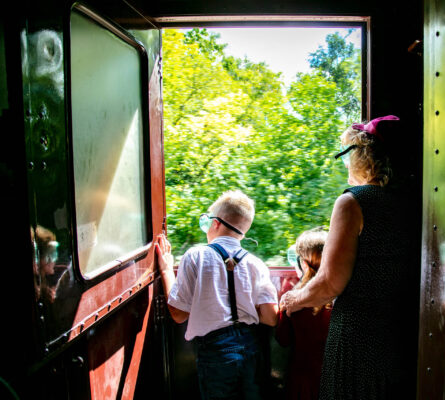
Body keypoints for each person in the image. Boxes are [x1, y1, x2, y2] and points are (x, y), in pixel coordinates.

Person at [279, 116, 420, 399]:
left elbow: (331, 282)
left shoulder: (354, 200)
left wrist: (293, 299)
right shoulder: (414, 202)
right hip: (402, 332)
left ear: (362, 156)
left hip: (359, 335)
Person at [155, 190, 279, 400]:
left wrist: (167, 271)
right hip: (252, 348)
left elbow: (178, 314)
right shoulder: (256, 264)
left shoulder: (196, 256)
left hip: (216, 351)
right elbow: (271, 317)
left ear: (216, 223)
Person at [275, 228, 332, 400]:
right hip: (335, 376)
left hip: (302, 378)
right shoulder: (341, 296)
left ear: (304, 264)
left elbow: (283, 339)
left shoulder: (291, 300)